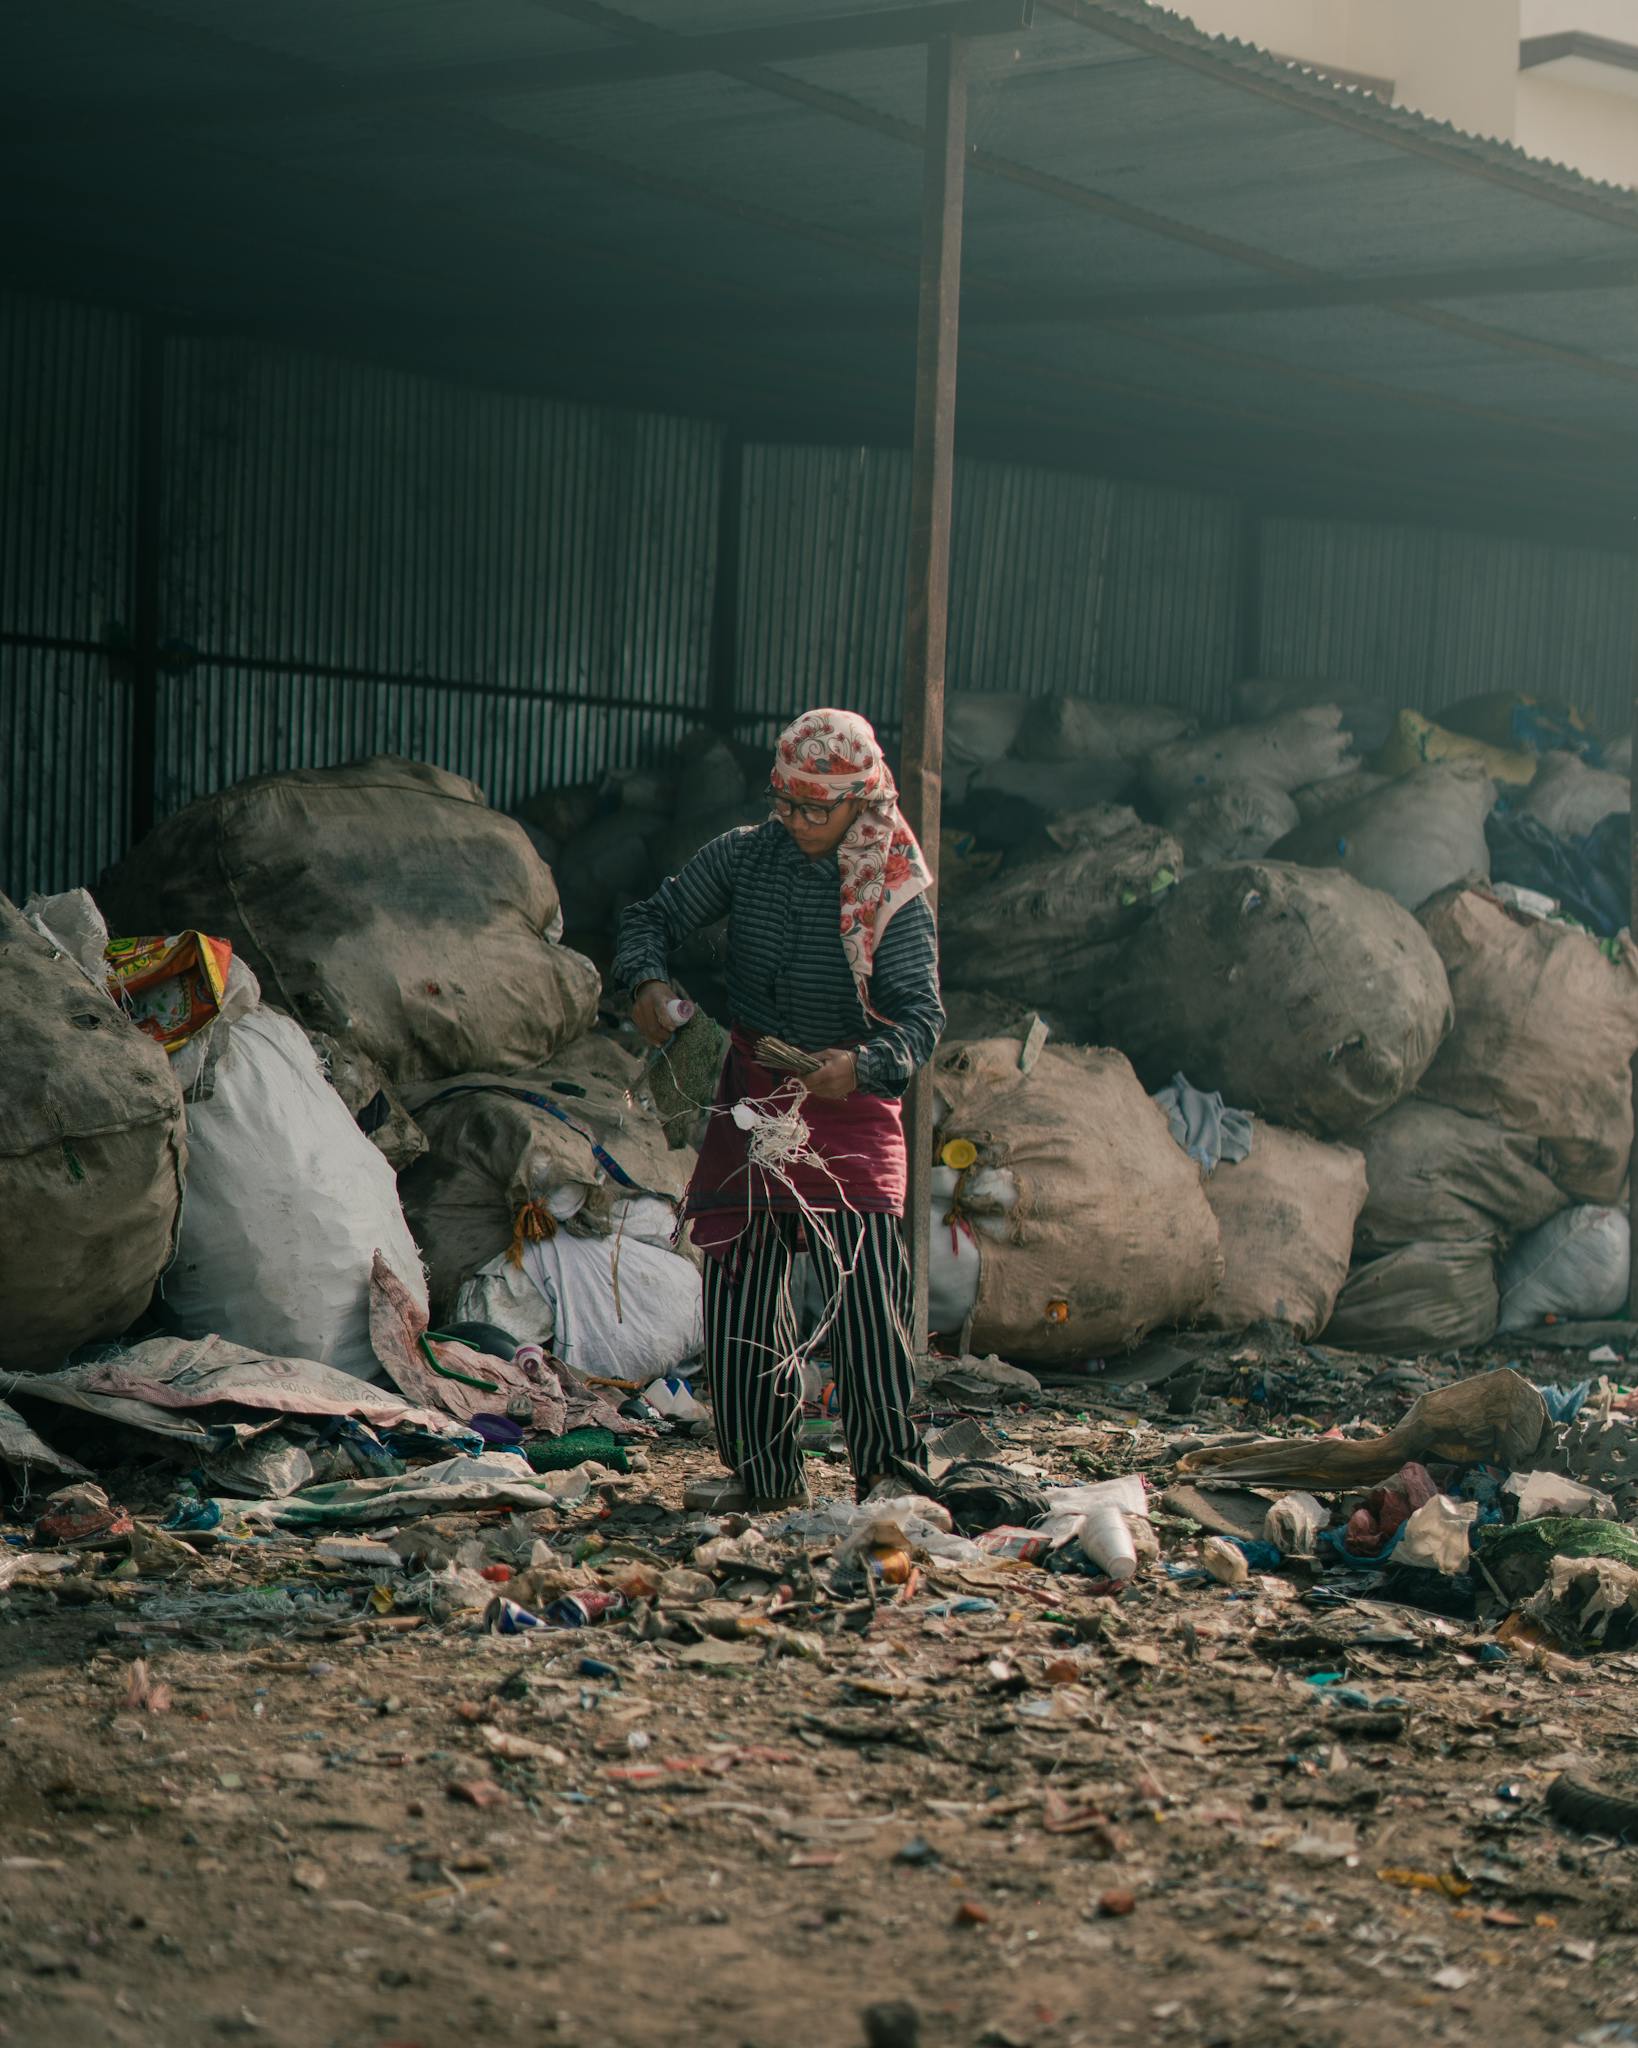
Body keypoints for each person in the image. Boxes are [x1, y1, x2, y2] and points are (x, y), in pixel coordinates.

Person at [614, 707, 945, 1513]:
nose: (796, 821)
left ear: (860, 805)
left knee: (866, 1303)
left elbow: (923, 1023)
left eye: (816, 809)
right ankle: (763, 1477)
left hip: (851, 1101)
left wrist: (861, 1065)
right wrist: (648, 982)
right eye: (786, 803)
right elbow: (648, 917)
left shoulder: (891, 892)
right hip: (755, 1090)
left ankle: (889, 1480)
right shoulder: (745, 858)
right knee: (738, 1290)